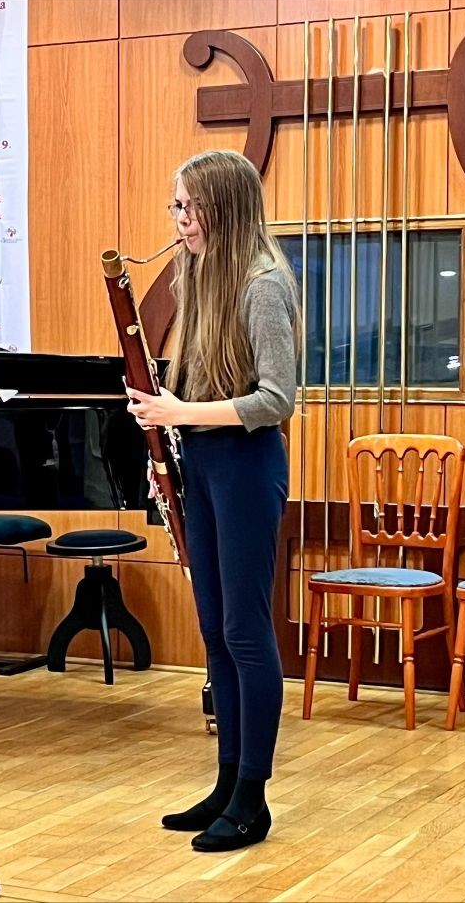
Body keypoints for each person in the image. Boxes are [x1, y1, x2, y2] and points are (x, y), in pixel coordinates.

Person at [126, 150, 298, 852]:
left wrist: (180, 415)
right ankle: (227, 781)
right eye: (175, 206)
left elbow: (276, 399)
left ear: (222, 209)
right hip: (203, 463)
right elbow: (193, 382)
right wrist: (162, 421)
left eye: (188, 207)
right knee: (215, 632)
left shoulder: (262, 285)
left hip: (247, 466)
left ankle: (253, 797)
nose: (179, 220)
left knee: (246, 632)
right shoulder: (199, 274)